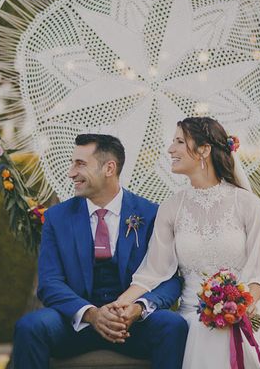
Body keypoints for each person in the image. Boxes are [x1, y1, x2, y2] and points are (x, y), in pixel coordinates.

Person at [114, 117, 260, 368]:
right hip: (192, 319)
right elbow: (152, 273)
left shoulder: (247, 205)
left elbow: (258, 277)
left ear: (204, 150)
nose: (170, 149)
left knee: (225, 337)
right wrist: (120, 303)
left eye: (179, 141)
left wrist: (237, 310)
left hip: (242, 315)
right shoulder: (171, 209)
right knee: (203, 333)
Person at [13, 134, 187, 369]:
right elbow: (49, 283)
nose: (71, 173)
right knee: (30, 327)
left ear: (109, 168)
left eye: (80, 164)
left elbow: (170, 279)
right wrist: (92, 314)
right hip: (75, 325)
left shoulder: (151, 214)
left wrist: (137, 309)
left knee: (172, 325)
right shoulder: (57, 217)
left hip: (133, 326)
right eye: (72, 163)